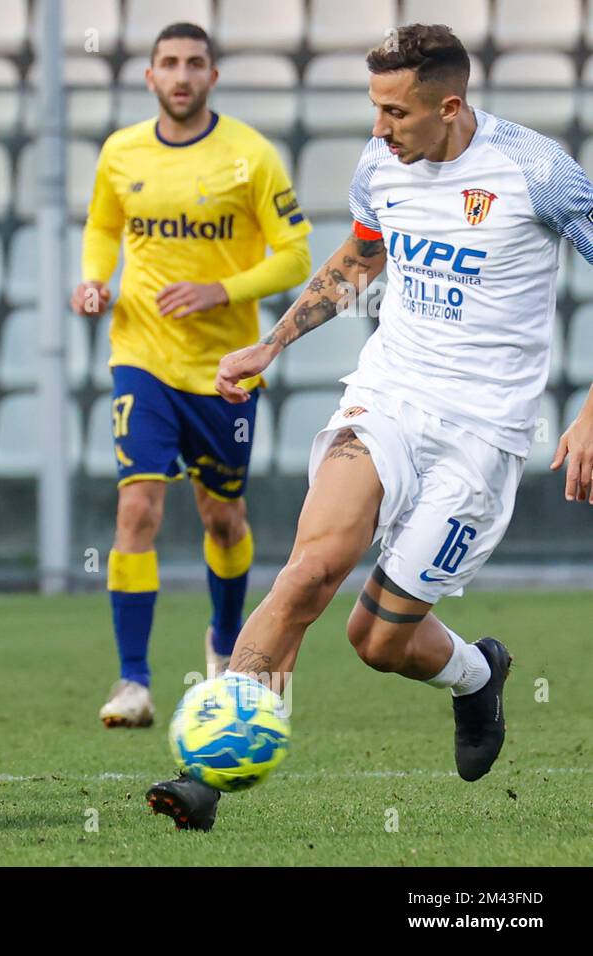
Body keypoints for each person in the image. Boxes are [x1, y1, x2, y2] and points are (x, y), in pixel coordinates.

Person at [148, 23, 593, 831]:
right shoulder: (382, 160)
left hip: (482, 431)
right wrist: (272, 343)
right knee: (310, 570)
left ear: (449, 106)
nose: (380, 129)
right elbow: (360, 256)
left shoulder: (539, 173)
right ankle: (206, 770)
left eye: (395, 113)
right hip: (387, 395)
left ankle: (475, 676)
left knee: (378, 641)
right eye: (374, 109)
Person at [71, 22, 313, 727]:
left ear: (213, 76)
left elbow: (296, 256)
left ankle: (225, 641)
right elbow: (103, 227)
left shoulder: (250, 156)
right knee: (138, 507)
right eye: (168, 64)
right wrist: (93, 280)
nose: (181, 75)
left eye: (194, 64)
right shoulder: (122, 152)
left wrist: (223, 290)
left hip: (224, 370)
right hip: (141, 356)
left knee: (224, 519)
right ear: (150, 77)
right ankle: (133, 682)